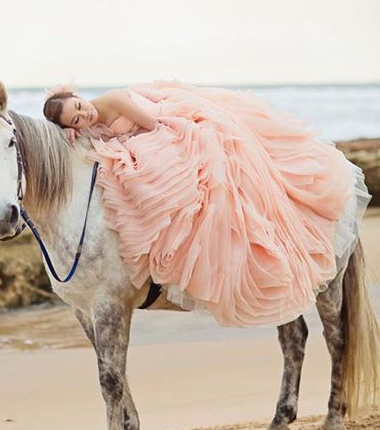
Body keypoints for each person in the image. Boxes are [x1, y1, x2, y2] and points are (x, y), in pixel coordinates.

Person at [43, 80, 370, 327]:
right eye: (75, 121)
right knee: (134, 187)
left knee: (185, 184)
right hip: (142, 139)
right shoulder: (90, 125)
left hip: (165, 130)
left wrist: (108, 139)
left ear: (78, 95)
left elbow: (150, 125)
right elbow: (89, 137)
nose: (84, 116)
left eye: (79, 107)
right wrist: (81, 135)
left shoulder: (113, 99)